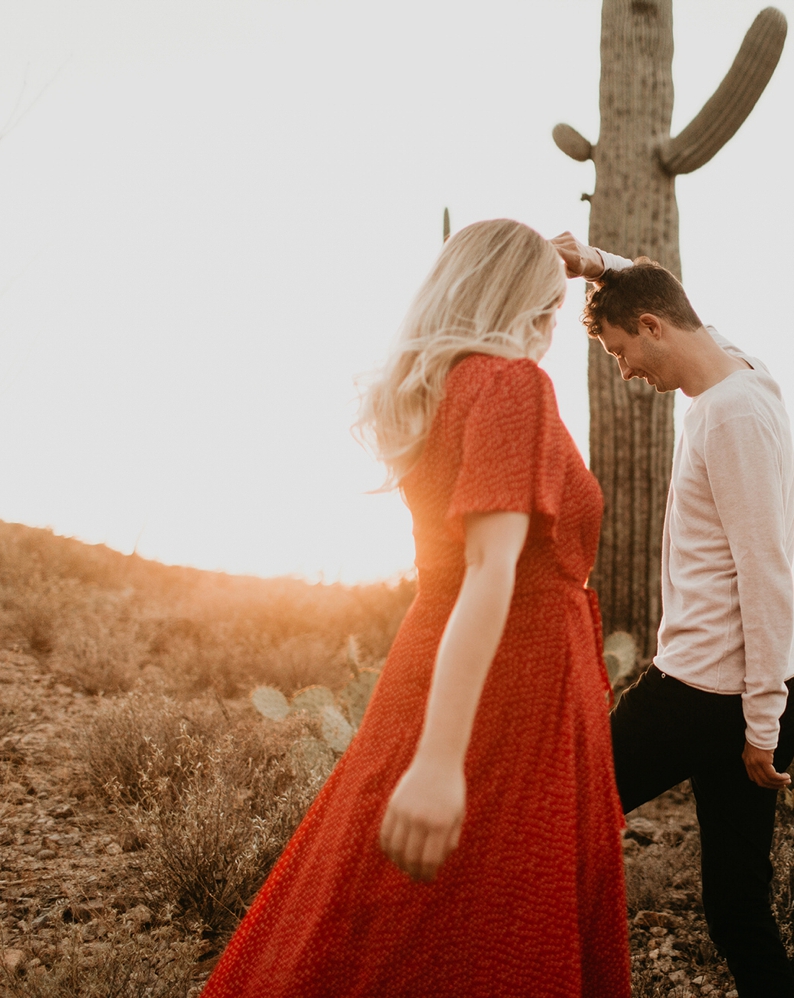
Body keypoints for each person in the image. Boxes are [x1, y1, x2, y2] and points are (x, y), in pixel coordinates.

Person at [200, 219, 631, 998]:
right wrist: (438, 764)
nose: (553, 334)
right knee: (487, 931)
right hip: (510, 684)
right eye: (552, 315)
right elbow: (488, 572)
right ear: (527, 308)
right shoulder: (512, 385)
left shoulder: (448, 383)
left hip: (445, 665)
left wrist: (578, 261)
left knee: (392, 922)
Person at [554, 235, 794, 998]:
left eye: (623, 352)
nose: (625, 371)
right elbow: (684, 307)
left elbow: (764, 570)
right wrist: (600, 265)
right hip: (745, 691)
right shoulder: (747, 376)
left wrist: (760, 725)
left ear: (654, 327)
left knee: (559, 819)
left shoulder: (728, 415)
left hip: (708, 699)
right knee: (736, 912)